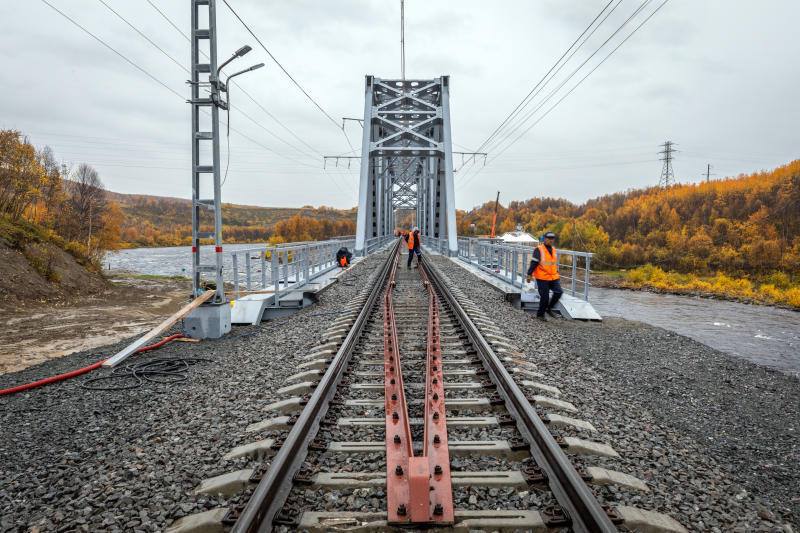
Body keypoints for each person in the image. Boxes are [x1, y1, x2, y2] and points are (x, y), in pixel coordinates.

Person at [526, 231, 563, 321]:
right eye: (549, 238)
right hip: (542, 277)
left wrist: (557, 272)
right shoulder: (539, 249)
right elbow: (534, 262)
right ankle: (540, 315)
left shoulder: (554, 250)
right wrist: (529, 274)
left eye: (552, 239)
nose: (550, 240)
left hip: (553, 277)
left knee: (559, 292)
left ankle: (549, 309)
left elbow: (553, 263)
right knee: (545, 297)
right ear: (544, 239)